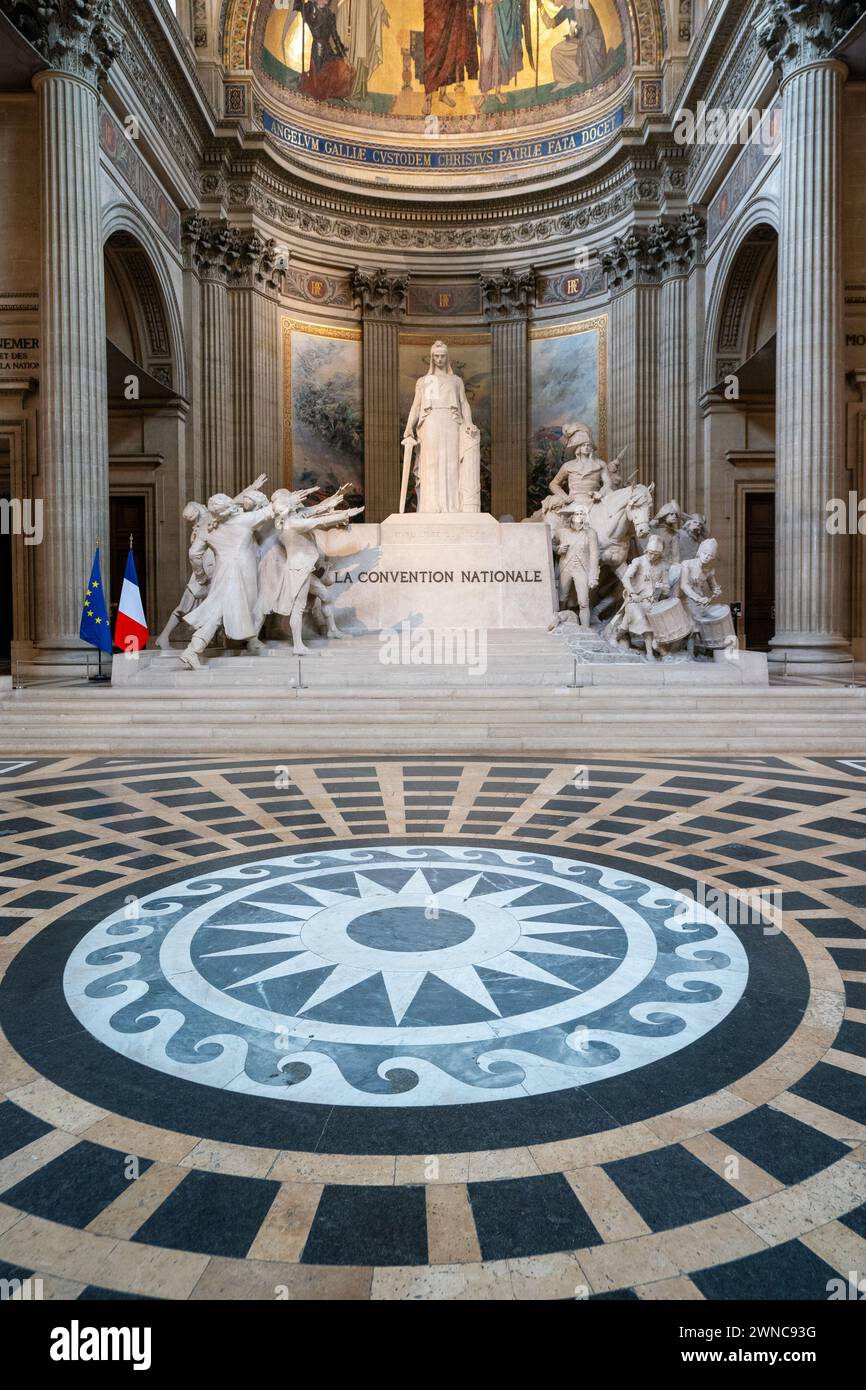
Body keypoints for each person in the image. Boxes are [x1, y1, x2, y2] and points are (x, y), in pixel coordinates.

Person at [180, 488, 273, 670]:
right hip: (241, 573)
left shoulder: (207, 526)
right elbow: (272, 510)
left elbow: (193, 553)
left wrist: (201, 576)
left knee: (221, 610)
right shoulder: (244, 521)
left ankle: (195, 649)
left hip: (222, 572)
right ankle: (192, 650)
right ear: (230, 506)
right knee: (221, 611)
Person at [270, 489, 363, 654]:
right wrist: (345, 514)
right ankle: (298, 646)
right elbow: (319, 522)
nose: (298, 501)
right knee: (298, 608)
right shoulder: (292, 524)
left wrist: (332, 501)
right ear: (288, 506)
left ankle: (332, 629)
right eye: (293, 499)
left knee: (326, 596)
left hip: (305, 568)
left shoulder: (291, 520)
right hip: (299, 569)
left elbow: (313, 512)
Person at [402, 340, 481, 513]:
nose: (439, 359)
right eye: (436, 356)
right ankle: (430, 506)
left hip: (452, 423)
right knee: (431, 463)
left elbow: (464, 403)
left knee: (452, 464)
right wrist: (409, 428)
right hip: (430, 423)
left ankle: (452, 506)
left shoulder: (456, 381)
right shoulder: (425, 381)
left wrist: (468, 422)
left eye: (442, 356)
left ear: (447, 357)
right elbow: (416, 406)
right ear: (431, 358)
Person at [422, 0, 479, 112]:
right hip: (435, 12)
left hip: (452, 9)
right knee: (433, 54)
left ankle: (443, 94)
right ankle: (428, 98)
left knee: (450, 50)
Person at [293, 0, 355, 100]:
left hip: (327, 48)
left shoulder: (330, 15)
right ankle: (319, 90)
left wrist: (343, 55)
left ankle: (337, 93)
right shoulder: (310, 8)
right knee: (320, 75)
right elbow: (300, 6)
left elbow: (335, 37)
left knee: (345, 68)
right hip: (318, 48)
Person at [475, 0, 532, 106]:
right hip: (487, 15)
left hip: (502, 14)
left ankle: (498, 90)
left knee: (499, 54)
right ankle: (484, 92)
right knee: (486, 56)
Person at [542, 0, 608, 92]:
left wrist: (572, 37)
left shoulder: (580, 2)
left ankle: (580, 76)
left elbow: (586, 27)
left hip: (591, 40)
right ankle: (565, 81)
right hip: (579, 39)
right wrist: (541, 8)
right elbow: (551, 24)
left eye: (553, 0)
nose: (552, 2)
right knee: (556, 51)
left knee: (557, 51)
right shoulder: (566, 8)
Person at [556, 502, 599, 627]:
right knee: (562, 598)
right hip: (566, 567)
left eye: (581, 513)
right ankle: (561, 623)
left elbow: (594, 555)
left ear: (585, 516)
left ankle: (585, 628)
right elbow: (549, 544)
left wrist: (593, 576)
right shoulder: (562, 532)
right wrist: (558, 549)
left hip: (582, 568)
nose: (579, 516)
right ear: (572, 516)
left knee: (584, 601)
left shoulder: (591, 533)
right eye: (576, 513)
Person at [336, 0, 389, 100]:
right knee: (345, 50)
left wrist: (381, 9)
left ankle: (356, 90)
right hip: (346, 13)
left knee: (360, 52)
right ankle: (342, 88)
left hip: (362, 19)